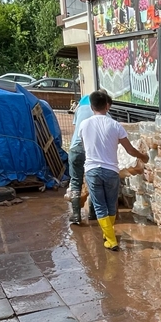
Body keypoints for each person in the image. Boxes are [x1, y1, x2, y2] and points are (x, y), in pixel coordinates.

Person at [79, 90, 146, 251]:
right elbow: (129, 149)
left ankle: (110, 238)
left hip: (92, 170)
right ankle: (109, 236)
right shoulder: (115, 125)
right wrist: (143, 156)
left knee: (100, 205)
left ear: (91, 105)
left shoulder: (84, 124)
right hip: (111, 171)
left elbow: (84, 146)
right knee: (110, 205)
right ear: (107, 106)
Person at [66, 91, 96, 225]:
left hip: (76, 149)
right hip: (91, 150)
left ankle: (76, 214)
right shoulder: (104, 113)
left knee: (76, 182)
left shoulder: (81, 108)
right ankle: (93, 213)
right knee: (93, 181)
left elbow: (75, 126)